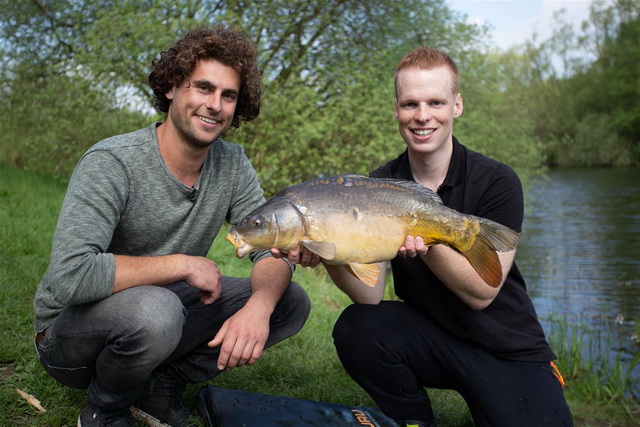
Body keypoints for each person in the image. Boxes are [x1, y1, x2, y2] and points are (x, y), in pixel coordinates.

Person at [278, 47, 573, 426]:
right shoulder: (378, 183)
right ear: (396, 110)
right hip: (433, 339)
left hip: (507, 347)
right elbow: (369, 295)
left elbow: (482, 294)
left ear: (457, 105)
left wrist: (426, 238)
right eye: (410, 104)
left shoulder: (498, 181)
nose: (422, 116)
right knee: (359, 328)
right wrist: (328, 249)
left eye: (435, 102)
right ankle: (414, 420)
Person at [33, 26, 310, 427]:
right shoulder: (112, 162)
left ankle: (159, 386)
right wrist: (182, 264)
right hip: (68, 337)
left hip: (158, 315)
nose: (214, 105)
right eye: (203, 88)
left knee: (288, 301)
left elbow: (271, 246)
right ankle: (104, 409)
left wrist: (259, 308)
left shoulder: (232, 165)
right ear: (171, 88)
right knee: (158, 310)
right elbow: (70, 276)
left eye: (228, 95)